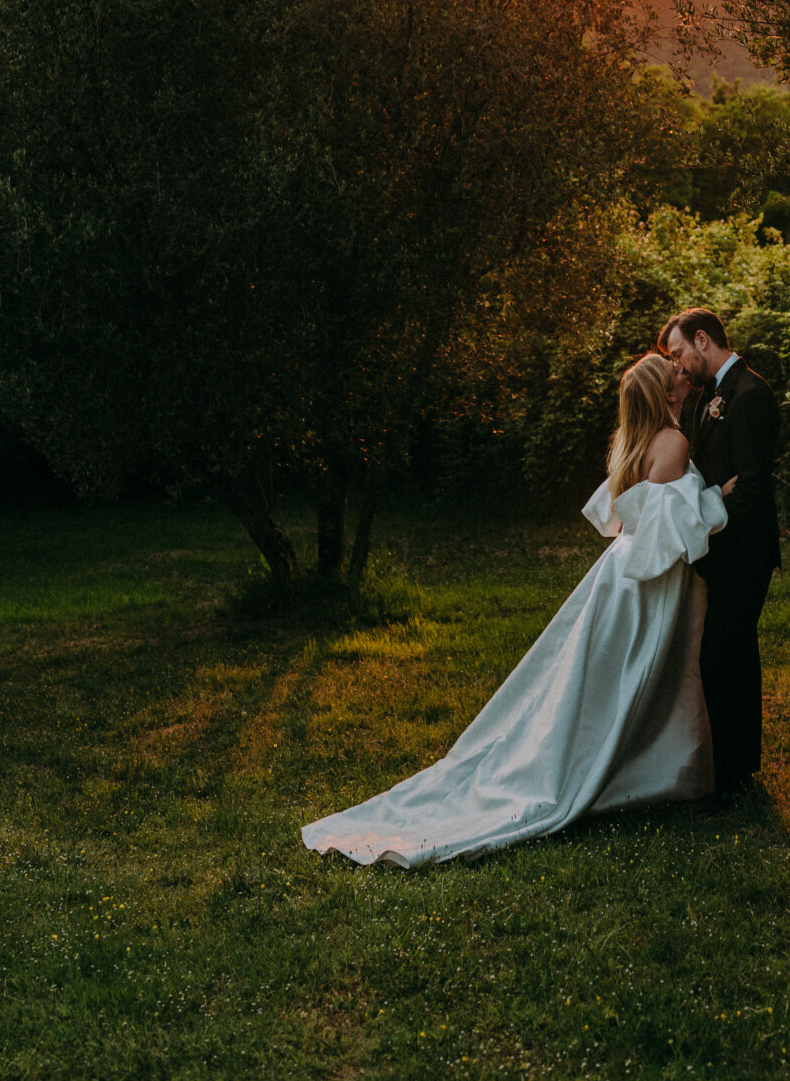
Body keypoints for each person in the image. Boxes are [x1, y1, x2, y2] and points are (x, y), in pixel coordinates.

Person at [300, 353, 728, 868]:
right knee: (637, 674)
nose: (682, 371)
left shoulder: (631, 443)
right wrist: (717, 499)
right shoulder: (673, 442)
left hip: (621, 568)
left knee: (603, 676)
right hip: (647, 576)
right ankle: (639, 764)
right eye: (672, 371)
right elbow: (673, 525)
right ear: (667, 394)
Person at [660, 307, 780, 796]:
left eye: (679, 352)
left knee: (721, 657)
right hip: (723, 553)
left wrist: (705, 524)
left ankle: (730, 778)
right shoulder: (709, 397)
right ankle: (738, 770)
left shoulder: (750, 395)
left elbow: (751, 488)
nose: (678, 364)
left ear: (703, 340)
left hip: (745, 552)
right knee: (734, 655)